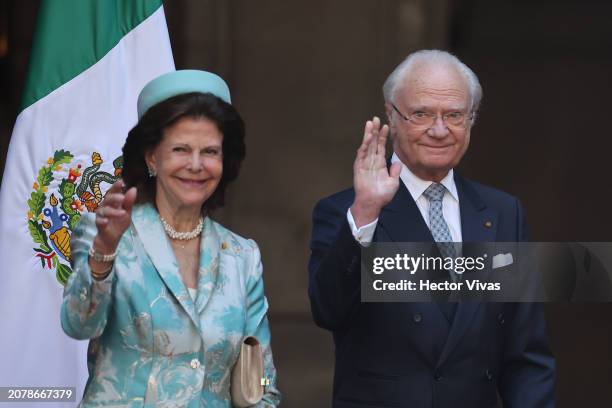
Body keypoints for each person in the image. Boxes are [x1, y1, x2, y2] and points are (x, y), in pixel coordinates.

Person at [308, 50, 555, 407]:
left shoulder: (503, 213)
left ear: (471, 120)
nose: (439, 131)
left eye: (454, 115)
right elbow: (327, 310)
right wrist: (365, 211)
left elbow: (527, 355)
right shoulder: (345, 211)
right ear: (392, 114)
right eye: (421, 114)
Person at [61, 70, 281, 407]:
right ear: (152, 157)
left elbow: (262, 376)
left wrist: (265, 392)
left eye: (210, 152)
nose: (196, 165)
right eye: (180, 149)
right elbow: (78, 324)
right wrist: (104, 252)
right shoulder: (105, 233)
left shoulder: (242, 256)